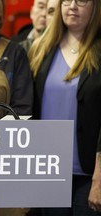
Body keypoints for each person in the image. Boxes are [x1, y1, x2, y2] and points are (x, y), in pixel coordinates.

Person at [28, 0, 101, 215]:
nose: (72, 6)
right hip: (48, 170)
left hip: (89, 173)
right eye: (67, 0)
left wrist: (99, 176)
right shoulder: (40, 49)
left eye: (82, 1)